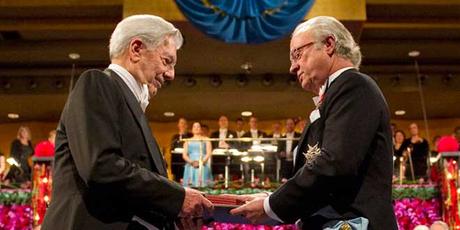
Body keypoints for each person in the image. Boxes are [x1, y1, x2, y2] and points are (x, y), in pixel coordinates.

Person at [42, 15, 212, 230]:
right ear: (136, 49)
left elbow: (134, 193)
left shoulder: (129, 103)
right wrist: (177, 198)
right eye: (166, 61)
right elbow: (102, 167)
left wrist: (174, 216)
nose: (171, 74)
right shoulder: (97, 83)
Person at [231, 16, 397, 229]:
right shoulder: (337, 94)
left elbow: (333, 164)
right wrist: (271, 198)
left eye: (297, 54)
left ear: (328, 45)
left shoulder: (354, 86)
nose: (292, 67)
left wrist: (271, 204)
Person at [182, 122, 213, 187]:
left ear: (201, 129)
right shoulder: (187, 140)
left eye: (198, 126)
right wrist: (191, 162)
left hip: (203, 164)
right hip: (190, 164)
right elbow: (184, 155)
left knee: (203, 186)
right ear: (192, 129)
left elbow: (209, 153)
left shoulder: (206, 139)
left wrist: (201, 162)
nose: (196, 128)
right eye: (194, 127)